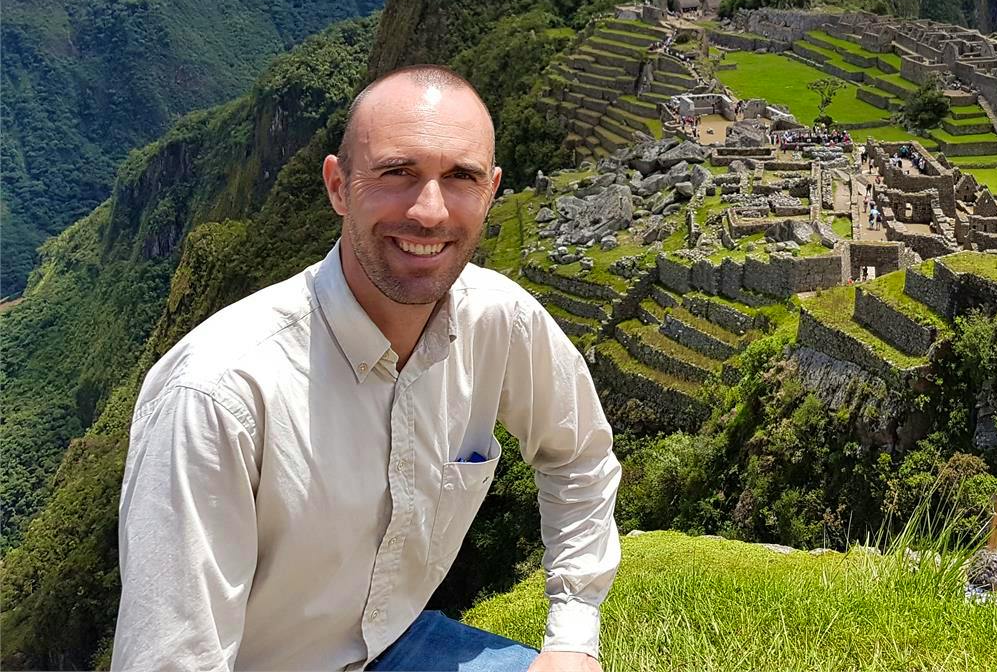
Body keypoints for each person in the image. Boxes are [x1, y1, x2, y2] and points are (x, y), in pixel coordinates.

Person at [112, 66, 620, 672]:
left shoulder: (500, 323)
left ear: (491, 192)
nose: (430, 212)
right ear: (337, 185)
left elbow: (578, 455)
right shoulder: (217, 394)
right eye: (397, 173)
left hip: (401, 643)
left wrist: (572, 636)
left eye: (461, 177)